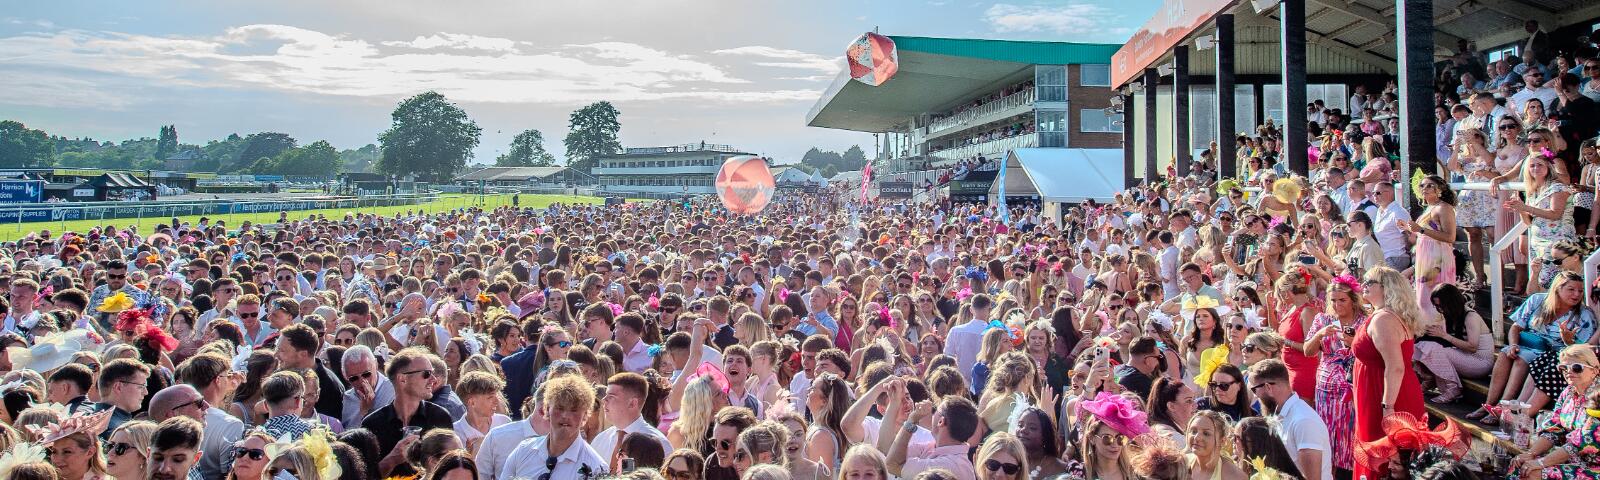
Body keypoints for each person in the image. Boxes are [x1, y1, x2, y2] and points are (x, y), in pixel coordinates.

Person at [1351, 267, 1427, 479]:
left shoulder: (1384, 319)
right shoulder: (1384, 315)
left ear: (1387, 289)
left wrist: (1388, 407)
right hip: (1382, 389)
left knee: (1384, 456)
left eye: (1370, 282)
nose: (1364, 285)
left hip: (1385, 394)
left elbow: (1395, 366)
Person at [498, 374, 607, 478]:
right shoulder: (524, 450)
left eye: (574, 410)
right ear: (546, 410)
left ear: (585, 415)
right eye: (560, 408)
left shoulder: (596, 468)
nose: (565, 416)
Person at [1249, 359, 1332, 480]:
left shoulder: (1303, 421)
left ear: (1268, 387)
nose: (1255, 396)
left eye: (1254, 389)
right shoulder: (1280, 414)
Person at [1413, 283, 1493, 404]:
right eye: (1437, 306)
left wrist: (1444, 335)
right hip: (1465, 356)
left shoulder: (1471, 317)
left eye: (1441, 306)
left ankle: (1453, 389)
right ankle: (1428, 378)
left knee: (1434, 350)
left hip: (1480, 362)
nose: (1440, 310)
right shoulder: (1453, 315)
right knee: (1421, 345)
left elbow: (1472, 347)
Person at [1401, 175, 1458, 323]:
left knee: (1436, 295)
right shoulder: (1429, 208)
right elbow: (1422, 233)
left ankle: (1440, 329)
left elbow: (1450, 237)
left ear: (1440, 189)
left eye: (1430, 185)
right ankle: (1427, 327)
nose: (1425, 189)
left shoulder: (1444, 208)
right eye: (1422, 186)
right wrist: (1408, 229)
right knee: (1423, 296)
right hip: (1424, 256)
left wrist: (1420, 230)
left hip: (1438, 257)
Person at [886, 395, 979, 480]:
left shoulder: (949, 465)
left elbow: (893, 465)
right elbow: (889, 452)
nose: (933, 414)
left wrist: (912, 420)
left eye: (936, 411)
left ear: (941, 421)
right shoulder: (936, 447)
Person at [593, 372, 673, 469]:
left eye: (611, 396)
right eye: (606, 395)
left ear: (632, 403)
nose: (604, 400)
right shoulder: (600, 440)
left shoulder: (659, 444)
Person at [1186, 410, 1246, 480]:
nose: (1197, 437)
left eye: (1206, 433)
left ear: (1222, 441)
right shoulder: (1182, 463)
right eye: (1193, 431)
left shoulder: (1235, 476)